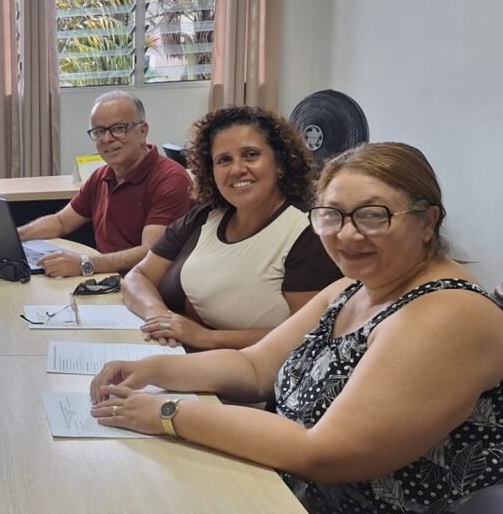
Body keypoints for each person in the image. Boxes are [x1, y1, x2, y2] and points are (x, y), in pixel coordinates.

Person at [90, 142, 503, 514]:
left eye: (373, 215)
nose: (347, 234)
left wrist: (169, 414)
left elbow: (324, 453)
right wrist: (152, 369)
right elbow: (255, 367)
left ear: (428, 222)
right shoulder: (354, 287)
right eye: (332, 215)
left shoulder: (451, 313)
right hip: (281, 502)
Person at [123, 106, 341, 350]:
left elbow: (309, 335)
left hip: (249, 368)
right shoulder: (204, 217)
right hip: (174, 349)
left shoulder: (308, 231)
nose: (237, 169)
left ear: (280, 162)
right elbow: (137, 277)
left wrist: (207, 337)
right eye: (224, 160)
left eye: (250, 155)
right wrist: (158, 318)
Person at [16, 91, 193, 277]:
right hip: (105, 277)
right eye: (99, 131)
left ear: (143, 131)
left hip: (143, 284)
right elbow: (60, 222)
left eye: (119, 128)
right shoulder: (101, 176)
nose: (107, 139)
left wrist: (85, 264)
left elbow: (151, 252)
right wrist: (14, 236)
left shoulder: (170, 180)